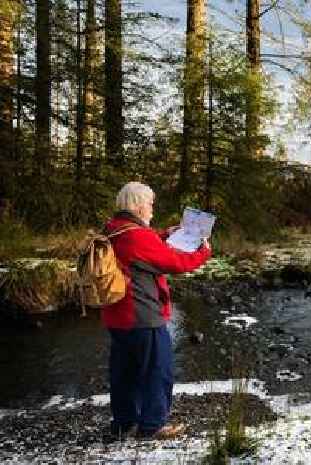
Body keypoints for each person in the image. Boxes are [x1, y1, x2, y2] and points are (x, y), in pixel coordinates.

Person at [102, 181, 211, 440]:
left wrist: (166, 233)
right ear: (138, 207)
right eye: (150, 204)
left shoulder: (113, 228)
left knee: (124, 372)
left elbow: (142, 246)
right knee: (157, 370)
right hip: (142, 315)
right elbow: (174, 262)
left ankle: (123, 423)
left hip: (116, 315)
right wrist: (203, 252)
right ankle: (152, 426)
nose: (152, 208)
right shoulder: (137, 236)